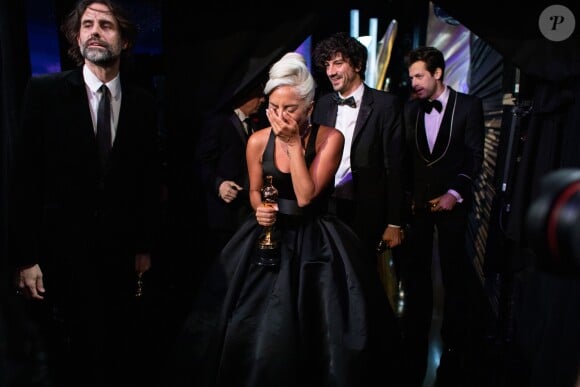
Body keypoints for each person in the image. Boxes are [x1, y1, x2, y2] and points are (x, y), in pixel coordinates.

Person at [168, 52, 401, 387]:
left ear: (309, 107)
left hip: (315, 238)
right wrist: (258, 207)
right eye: (274, 108)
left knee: (319, 325)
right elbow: (254, 190)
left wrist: (292, 144)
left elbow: (307, 196)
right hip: (266, 235)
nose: (279, 116)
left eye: (289, 108)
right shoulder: (256, 140)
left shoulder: (329, 138)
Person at [8, 1, 161, 386]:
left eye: (106, 25)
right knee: (66, 357)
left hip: (119, 255)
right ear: (77, 36)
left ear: (124, 40)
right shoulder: (45, 92)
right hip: (58, 255)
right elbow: (24, 179)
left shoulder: (143, 102)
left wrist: (143, 246)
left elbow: (145, 180)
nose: (94, 31)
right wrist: (25, 257)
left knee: (115, 352)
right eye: (87, 24)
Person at [399, 46, 489, 387]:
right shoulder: (410, 110)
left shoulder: (469, 107)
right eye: (411, 77)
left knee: (453, 272)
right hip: (417, 207)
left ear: (438, 73)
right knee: (416, 271)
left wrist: (454, 193)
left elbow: (474, 157)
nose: (414, 83)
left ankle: (455, 340)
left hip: (453, 203)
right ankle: (414, 335)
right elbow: (406, 159)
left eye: (419, 76)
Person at [311, 31, 405, 266]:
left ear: (358, 65)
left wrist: (395, 222)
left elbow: (396, 166)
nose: (330, 71)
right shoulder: (322, 105)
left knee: (362, 277)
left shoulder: (386, 105)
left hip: (366, 210)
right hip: (326, 206)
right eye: (327, 64)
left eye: (338, 63)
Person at [195, 84, 265, 277]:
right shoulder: (218, 123)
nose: (262, 100)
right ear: (244, 96)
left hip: (246, 213)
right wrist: (219, 184)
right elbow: (201, 163)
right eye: (258, 95)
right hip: (224, 215)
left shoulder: (256, 124)